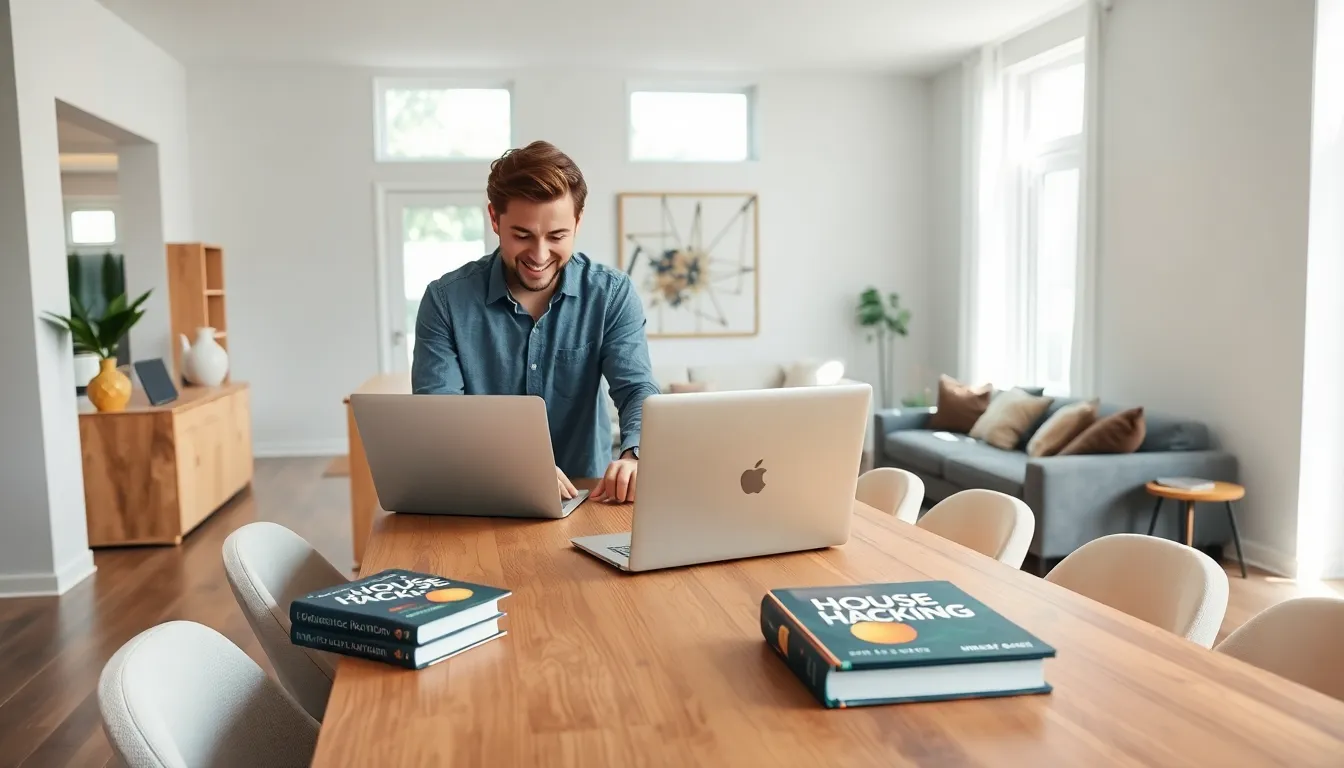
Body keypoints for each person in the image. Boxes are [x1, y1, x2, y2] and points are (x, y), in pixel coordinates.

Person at [411, 140, 658, 504]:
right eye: (522, 235)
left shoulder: (611, 294)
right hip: (482, 492)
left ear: (578, 221)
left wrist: (635, 453)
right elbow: (440, 415)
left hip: (589, 495)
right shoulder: (445, 301)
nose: (540, 255)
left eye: (557, 236)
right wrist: (515, 465)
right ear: (495, 219)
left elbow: (637, 388)